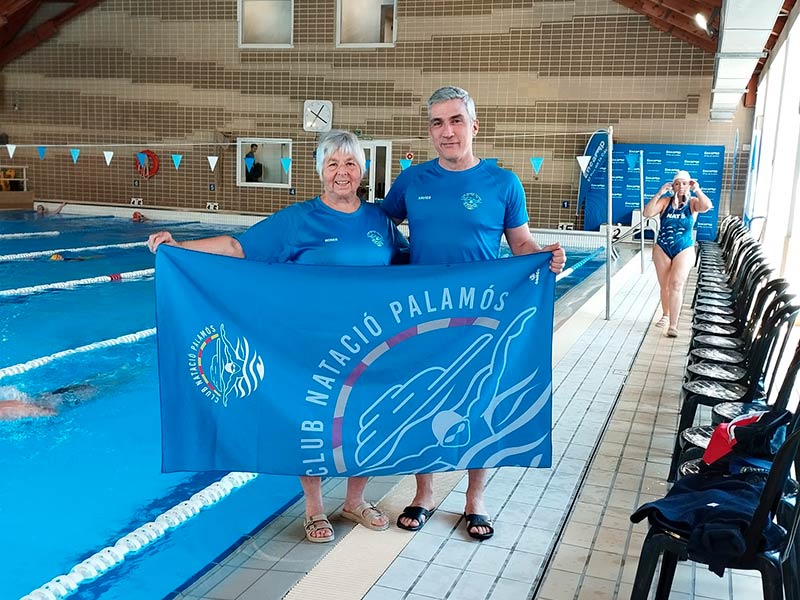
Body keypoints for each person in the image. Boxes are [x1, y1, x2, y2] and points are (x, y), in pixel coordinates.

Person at [148, 130, 408, 543]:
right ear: (320, 170)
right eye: (333, 164)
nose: (342, 172)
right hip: (310, 347)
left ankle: (355, 501)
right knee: (313, 426)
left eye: (350, 163)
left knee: (364, 423)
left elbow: (415, 268)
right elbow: (237, 247)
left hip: (370, 346)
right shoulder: (299, 219)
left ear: (363, 169)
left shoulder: (381, 222)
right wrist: (180, 246)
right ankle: (314, 508)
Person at [381, 85, 566, 541]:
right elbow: (378, 230)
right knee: (425, 401)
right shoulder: (412, 182)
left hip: (481, 316)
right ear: (430, 131)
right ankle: (424, 493)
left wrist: (545, 256)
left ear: (474, 126)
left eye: (455, 120)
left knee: (480, 403)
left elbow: (520, 244)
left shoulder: (503, 183)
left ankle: (474, 499)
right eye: (437, 123)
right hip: (422, 316)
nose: (446, 131)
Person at [643, 170, 713, 338]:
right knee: (665, 285)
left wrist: (698, 189)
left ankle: (673, 324)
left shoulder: (693, 203)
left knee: (676, 284)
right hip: (662, 248)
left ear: (688, 185)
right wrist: (659, 192)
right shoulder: (666, 202)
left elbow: (707, 206)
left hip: (684, 247)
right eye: (677, 183)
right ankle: (665, 314)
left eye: (684, 183)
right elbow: (647, 213)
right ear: (672, 186)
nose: (680, 186)